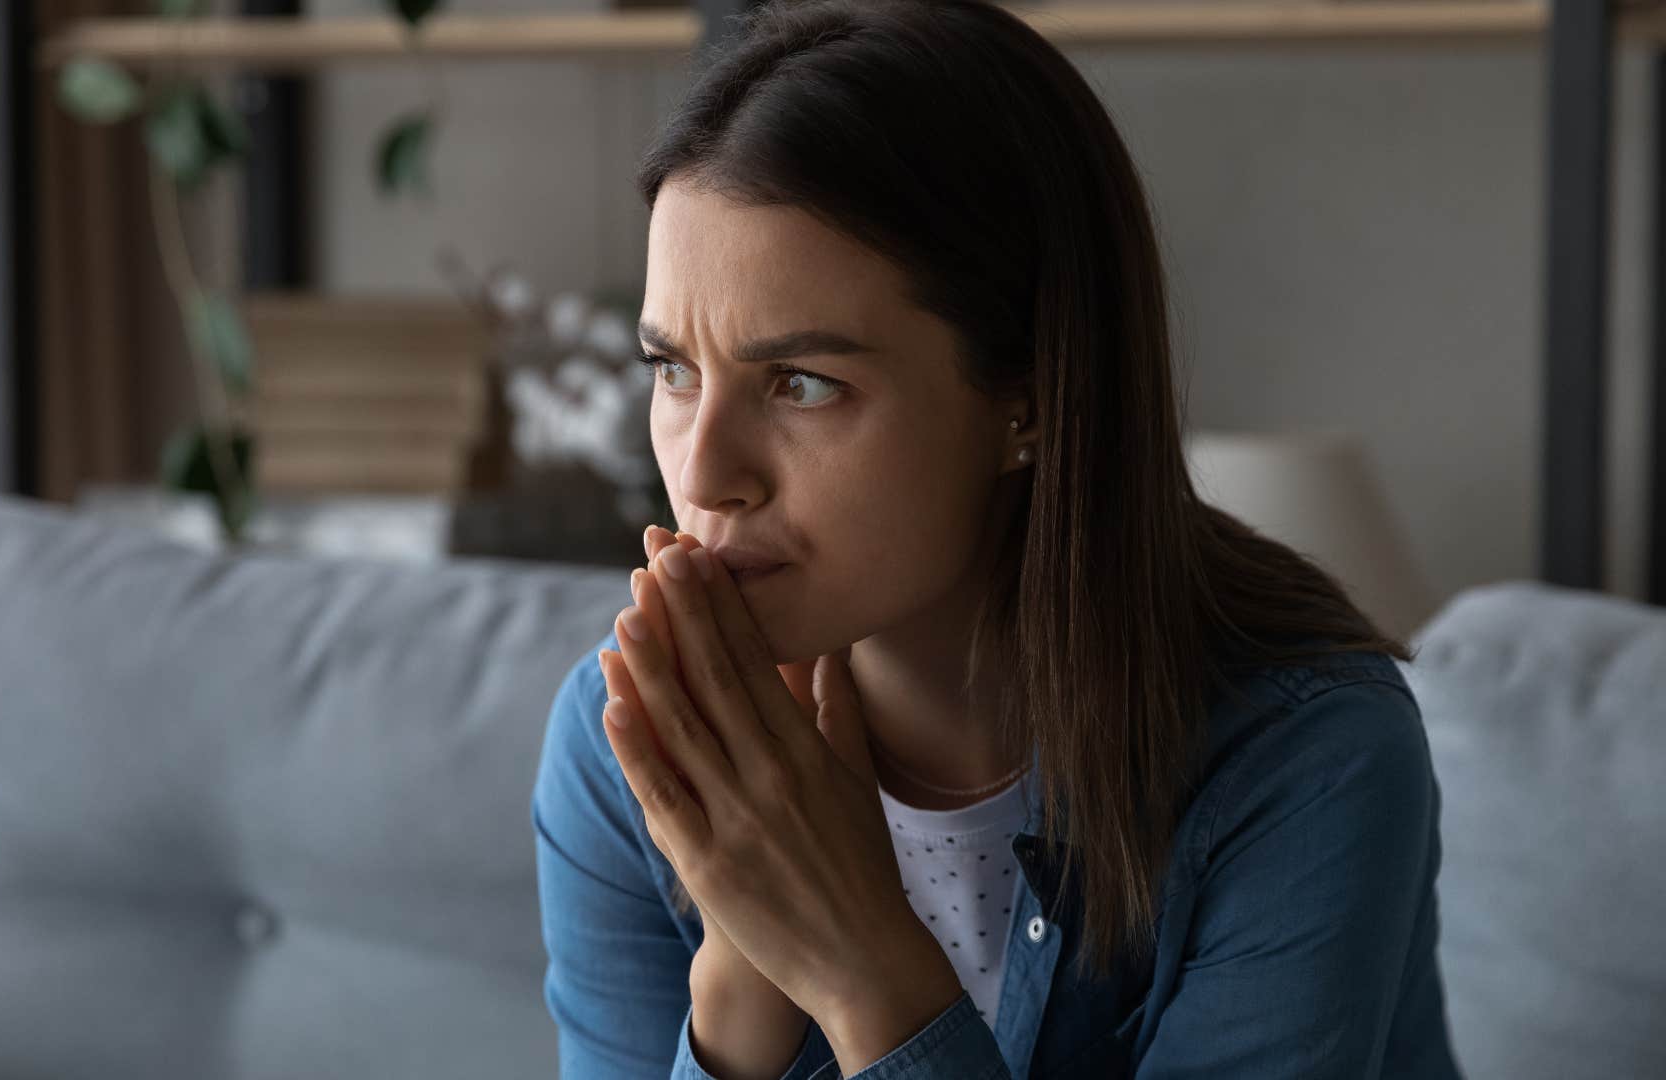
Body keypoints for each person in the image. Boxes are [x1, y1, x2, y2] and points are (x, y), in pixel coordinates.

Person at [530, 1, 1461, 1076]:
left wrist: (858, 969)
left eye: (802, 383)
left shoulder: (1303, 756)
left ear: (1027, 398)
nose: (701, 473)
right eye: (674, 371)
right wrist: (738, 980)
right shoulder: (621, 751)